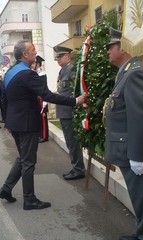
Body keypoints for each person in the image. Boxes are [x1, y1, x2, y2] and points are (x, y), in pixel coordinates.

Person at [0, 40, 86, 210]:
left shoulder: (10, 72)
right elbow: (47, 95)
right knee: (28, 162)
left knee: (22, 158)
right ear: (24, 55)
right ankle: (29, 199)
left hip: (15, 122)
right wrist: (75, 100)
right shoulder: (28, 74)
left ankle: (6, 189)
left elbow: (4, 99)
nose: (35, 52)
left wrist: (8, 121)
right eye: (33, 50)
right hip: (27, 123)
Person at [104, 27, 143, 240]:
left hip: (134, 151)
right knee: (140, 197)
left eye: (111, 47)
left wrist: (136, 155)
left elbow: (139, 117)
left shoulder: (135, 73)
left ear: (123, 47)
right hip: (128, 148)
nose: (108, 51)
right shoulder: (127, 71)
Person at [54, 46, 85, 180]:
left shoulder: (72, 69)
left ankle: (78, 169)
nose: (58, 59)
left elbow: (75, 91)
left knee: (72, 142)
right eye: (57, 57)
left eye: (60, 56)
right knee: (69, 142)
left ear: (68, 56)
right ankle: (76, 167)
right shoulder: (62, 71)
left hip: (69, 112)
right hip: (63, 111)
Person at [31, 55, 49, 143]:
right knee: (39, 118)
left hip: (42, 99)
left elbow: (44, 88)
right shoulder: (37, 73)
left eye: (34, 63)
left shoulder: (42, 74)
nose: (33, 65)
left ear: (38, 64)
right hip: (38, 99)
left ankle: (44, 136)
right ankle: (40, 134)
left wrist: (45, 101)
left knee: (43, 119)